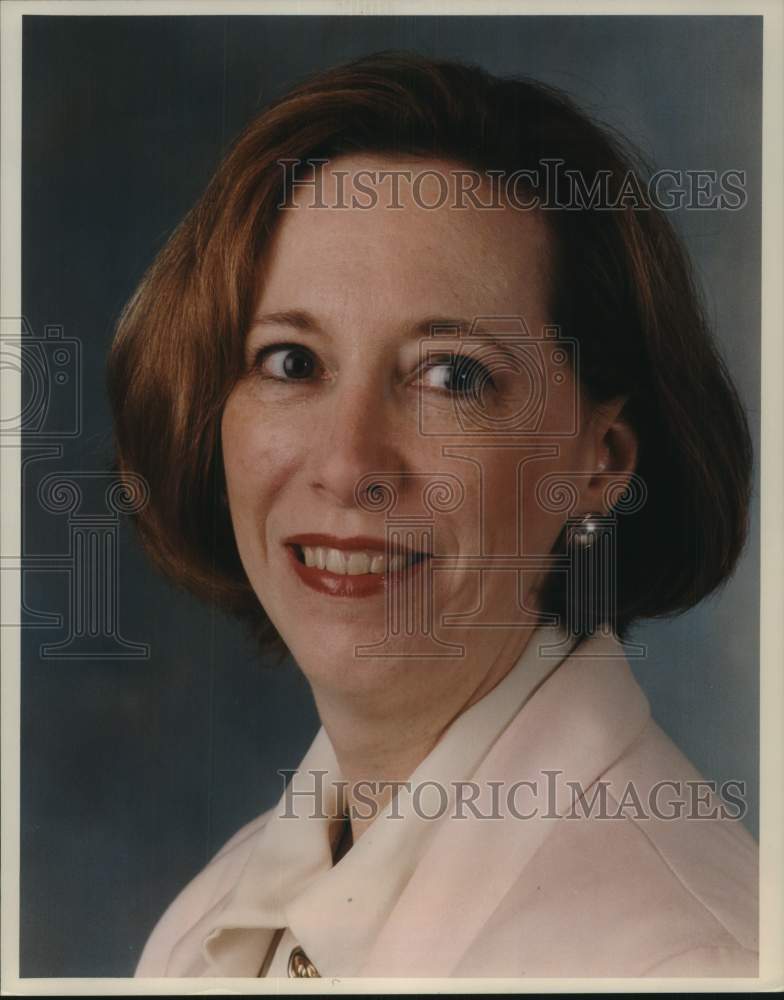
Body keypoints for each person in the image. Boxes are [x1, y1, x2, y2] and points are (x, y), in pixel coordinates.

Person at [107, 52, 758, 978]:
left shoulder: (691, 960)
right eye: (292, 362)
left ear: (601, 464)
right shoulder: (208, 924)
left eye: (453, 376)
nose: (347, 465)